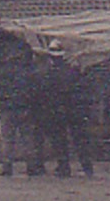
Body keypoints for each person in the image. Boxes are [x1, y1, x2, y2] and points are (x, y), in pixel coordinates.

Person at [39, 41, 93, 177]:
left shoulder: (49, 74)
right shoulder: (73, 71)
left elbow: (45, 93)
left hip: (56, 111)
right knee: (80, 139)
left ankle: (64, 168)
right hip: (74, 110)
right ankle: (87, 167)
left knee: (59, 140)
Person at [0, 48, 39, 177]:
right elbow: (34, 91)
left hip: (7, 109)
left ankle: (7, 166)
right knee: (27, 138)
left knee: (8, 139)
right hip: (24, 108)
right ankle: (31, 166)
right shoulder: (29, 72)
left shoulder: (3, 71)